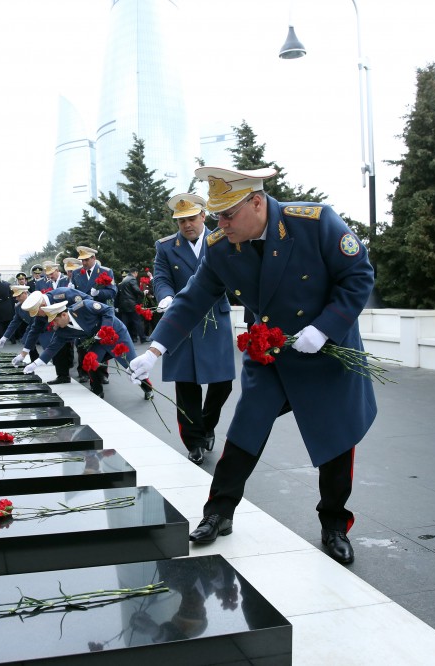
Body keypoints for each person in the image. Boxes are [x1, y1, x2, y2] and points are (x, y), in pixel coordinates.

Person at [129, 166, 376, 565]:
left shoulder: (314, 223)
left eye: (227, 215)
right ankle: (218, 513)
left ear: (257, 202)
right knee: (245, 429)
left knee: (336, 439)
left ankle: (334, 524)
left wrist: (325, 328)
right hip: (272, 353)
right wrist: (155, 349)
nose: (219, 223)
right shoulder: (223, 245)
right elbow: (193, 298)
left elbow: (358, 276)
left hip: (325, 350)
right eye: (217, 215)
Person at [152, 193, 235, 465]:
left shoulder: (223, 239)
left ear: (203, 215)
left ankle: (207, 424)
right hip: (181, 322)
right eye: (180, 221)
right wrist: (164, 296)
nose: (186, 225)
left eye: (190, 218)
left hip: (215, 319)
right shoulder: (166, 247)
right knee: (186, 386)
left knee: (222, 383)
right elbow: (162, 277)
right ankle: (195, 441)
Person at [24, 299, 152, 401]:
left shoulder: (83, 306)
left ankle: (148, 389)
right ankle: (97, 390)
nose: (54, 324)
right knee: (90, 362)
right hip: (98, 342)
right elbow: (52, 347)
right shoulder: (62, 331)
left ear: (63, 314)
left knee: (131, 365)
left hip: (115, 334)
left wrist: (104, 329)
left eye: (56, 320)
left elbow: (108, 310)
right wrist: (35, 364)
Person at [15, 286, 90, 383]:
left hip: (84, 324)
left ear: (42, 305)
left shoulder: (63, 294)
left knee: (84, 349)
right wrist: (23, 354)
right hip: (64, 328)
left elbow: (87, 302)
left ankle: (88, 375)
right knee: (56, 345)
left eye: (37, 312)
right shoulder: (41, 313)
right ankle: (63, 376)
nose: (37, 315)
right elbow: (34, 331)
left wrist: (71, 317)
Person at [70, 246, 117, 383]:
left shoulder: (105, 271)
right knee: (82, 343)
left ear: (93, 258)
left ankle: (102, 374)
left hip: (99, 312)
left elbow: (112, 292)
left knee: (101, 342)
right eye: (82, 260)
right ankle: (84, 371)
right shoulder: (77, 273)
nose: (83, 263)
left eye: (86, 260)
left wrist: (99, 293)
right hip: (83, 313)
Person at [0, 284, 38, 361]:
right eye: (16, 296)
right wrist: (4, 337)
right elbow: (14, 323)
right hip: (33, 328)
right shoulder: (18, 307)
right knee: (27, 342)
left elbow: (35, 322)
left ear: (25, 293)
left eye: (19, 296)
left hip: (45, 328)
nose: (17, 298)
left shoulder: (36, 302)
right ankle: (35, 361)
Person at [116, 267, 145, 343]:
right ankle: (143, 338)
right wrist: (143, 294)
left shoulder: (124, 280)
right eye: (137, 274)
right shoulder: (132, 279)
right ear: (135, 272)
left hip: (123, 305)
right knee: (137, 320)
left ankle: (122, 338)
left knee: (124, 323)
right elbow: (136, 290)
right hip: (131, 304)